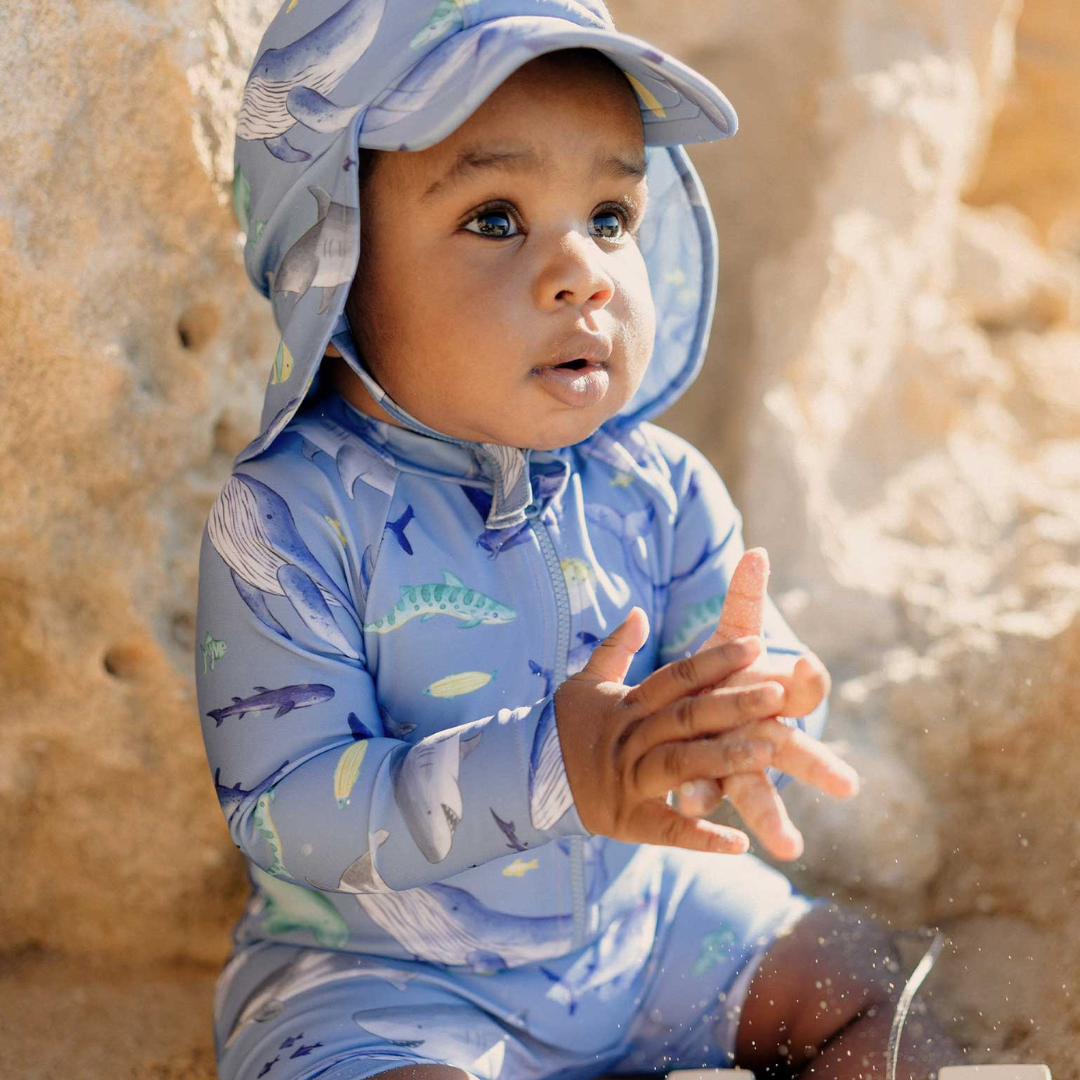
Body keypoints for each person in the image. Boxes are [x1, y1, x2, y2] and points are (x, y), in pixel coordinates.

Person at [196, 3, 967, 1078]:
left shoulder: (657, 485)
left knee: (851, 974)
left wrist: (760, 707)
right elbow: (283, 810)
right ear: (338, 263)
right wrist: (557, 765)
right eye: (498, 219)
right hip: (390, 980)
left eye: (610, 215)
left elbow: (740, 662)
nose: (584, 271)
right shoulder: (287, 519)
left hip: (649, 932)